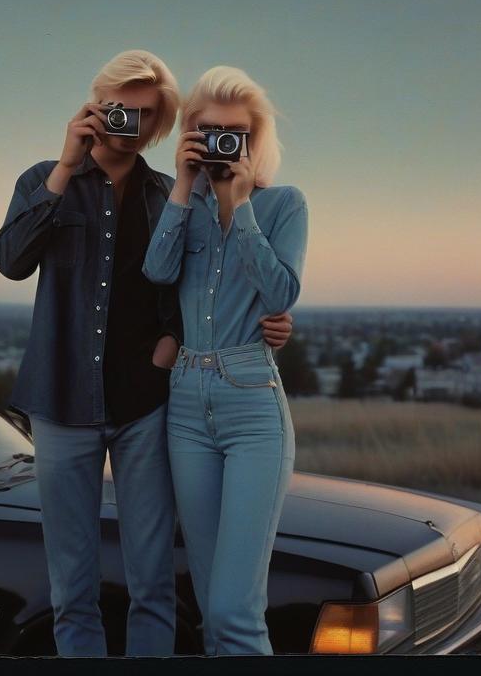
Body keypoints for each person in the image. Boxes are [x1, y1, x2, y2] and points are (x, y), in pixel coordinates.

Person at [0, 50, 294, 658]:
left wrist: (172, 351)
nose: (129, 123)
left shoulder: (167, 192)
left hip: (144, 408)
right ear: (96, 105)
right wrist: (65, 166)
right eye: (118, 110)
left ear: (160, 125)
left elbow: (191, 294)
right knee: (71, 586)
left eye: (143, 115)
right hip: (59, 400)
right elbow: (11, 261)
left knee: (152, 582)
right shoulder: (42, 180)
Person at [142, 65, 308, 657]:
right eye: (208, 131)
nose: (221, 143)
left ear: (254, 138)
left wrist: (238, 205)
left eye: (233, 133)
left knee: (237, 613)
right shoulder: (178, 203)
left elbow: (280, 294)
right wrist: (186, 188)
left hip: (251, 403)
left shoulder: (284, 204)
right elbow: (157, 271)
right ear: (190, 133)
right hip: (185, 407)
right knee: (211, 610)